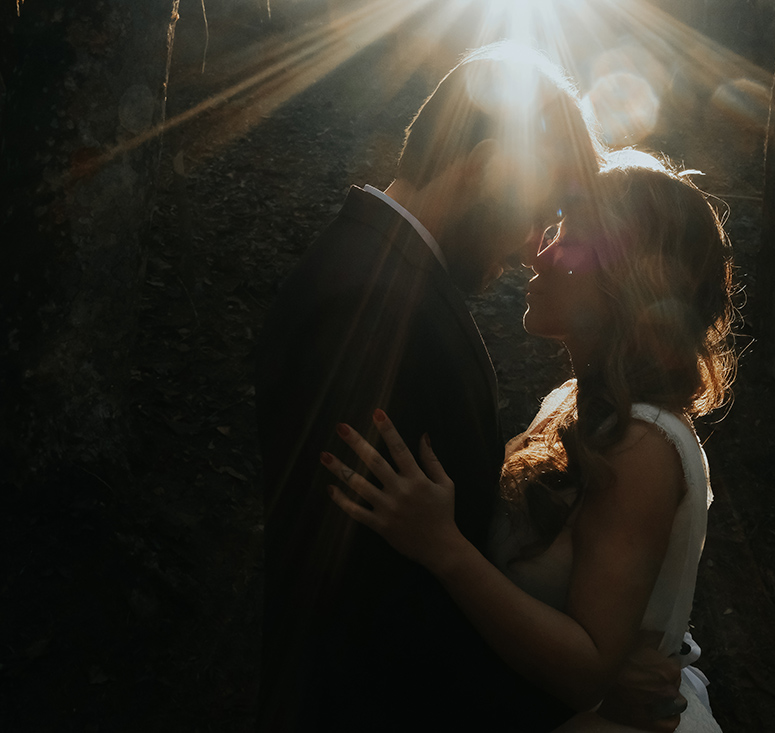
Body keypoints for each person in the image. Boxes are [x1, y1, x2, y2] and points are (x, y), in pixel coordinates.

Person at [254, 44, 682, 732]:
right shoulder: (372, 308)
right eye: (534, 213)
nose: (529, 248)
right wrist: (574, 697)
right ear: (484, 168)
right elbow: (385, 611)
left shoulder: (389, 281)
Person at [323, 149, 737, 732]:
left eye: (569, 237)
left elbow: (585, 671)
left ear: (628, 271)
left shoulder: (642, 448)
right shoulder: (572, 402)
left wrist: (442, 546)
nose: (536, 254)